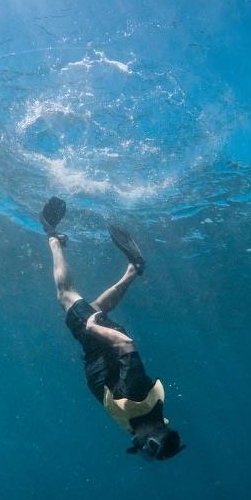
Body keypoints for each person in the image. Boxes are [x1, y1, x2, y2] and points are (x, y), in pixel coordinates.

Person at [39, 196, 184, 461]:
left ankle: (133, 269)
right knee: (66, 294)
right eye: (145, 447)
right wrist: (93, 328)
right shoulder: (136, 396)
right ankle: (52, 235)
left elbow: (156, 428)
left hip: (99, 346)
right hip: (101, 340)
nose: (137, 446)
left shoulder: (149, 419)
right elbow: (125, 345)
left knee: (94, 306)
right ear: (153, 437)